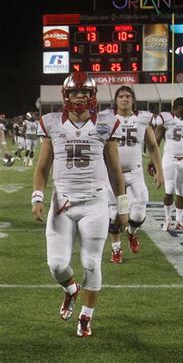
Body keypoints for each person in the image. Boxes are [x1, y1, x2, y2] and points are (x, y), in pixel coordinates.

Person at [31, 72, 128, 337]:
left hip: (94, 202)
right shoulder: (51, 123)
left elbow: (115, 170)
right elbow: (42, 167)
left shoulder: (106, 123)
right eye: (75, 92)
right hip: (61, 204)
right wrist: (37, 197)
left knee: (91, 263)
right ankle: (71, 289)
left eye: (85, 92)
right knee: (57, 265)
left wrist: (122, 206)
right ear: (66, 95)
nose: (80, 97)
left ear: (93, 96)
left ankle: (86, 317)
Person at [105, 86, 164, 264]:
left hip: (135, 172)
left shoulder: (142, 119)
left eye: (128, 96)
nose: (124, 99)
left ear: (133, 99)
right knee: (114, 213)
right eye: (121, 96)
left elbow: (153, 146)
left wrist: (160, 171)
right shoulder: (106, 118)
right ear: (115, 100)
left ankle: (131, 233)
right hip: (113, 176)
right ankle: (116, 250)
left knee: (138, 213)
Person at [154, 97, 183, 231]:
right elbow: (155, 141)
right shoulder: (166, 118)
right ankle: (167, 218)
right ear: (179, 107)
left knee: (182, 192)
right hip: (169, 159)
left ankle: (179, 220)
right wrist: (153, 161)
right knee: (169, 191)